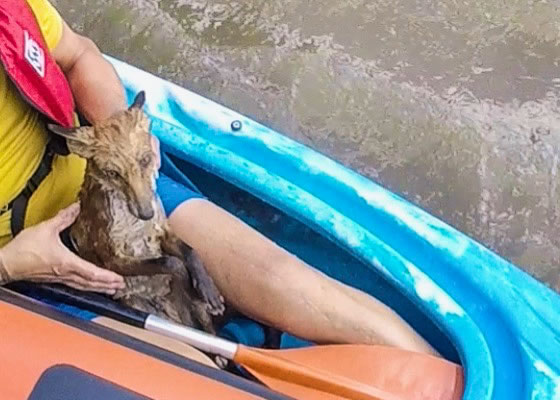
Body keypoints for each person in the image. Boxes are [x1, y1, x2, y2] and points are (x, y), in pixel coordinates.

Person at [0, 0, 437, 357]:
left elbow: (78, 56)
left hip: (114, 188)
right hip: (33, 265)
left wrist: (122, 134)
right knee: (187, 370)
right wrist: (12, 264)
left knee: (288, 282)